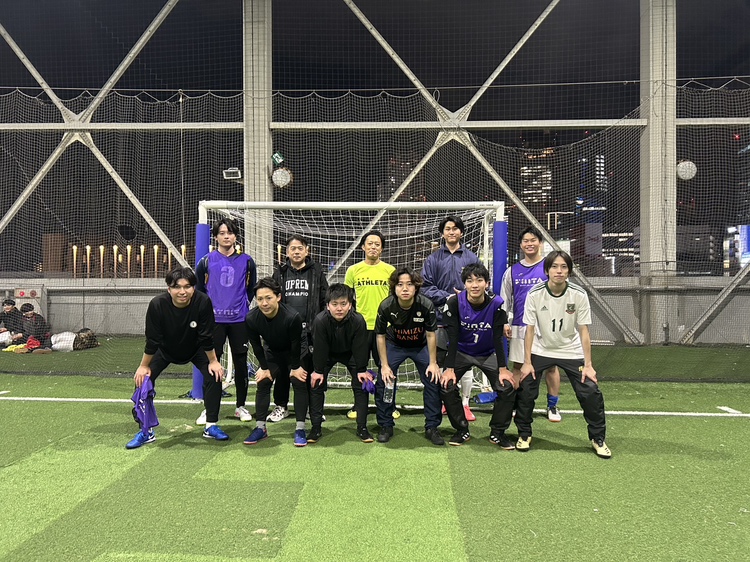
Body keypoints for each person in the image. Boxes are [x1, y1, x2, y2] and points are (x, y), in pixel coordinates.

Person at [516, 250, 611, 458]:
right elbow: (529, 330)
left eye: (563, 267)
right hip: (541, 349)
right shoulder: (534, 294)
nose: (559, 271)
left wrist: (588, 365)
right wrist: (527, 362)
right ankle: (524, 434)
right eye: (554, 267)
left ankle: (598, 438)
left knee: (590, 391)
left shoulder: (578, 294)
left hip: (571, 350)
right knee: (526, 389)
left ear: (569, 271)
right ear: (547, 270)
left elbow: (584, 331)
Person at [126, 266, 228, 449]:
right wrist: (144, 366)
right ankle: (145, 430)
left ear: (193, 288)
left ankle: (211, 425)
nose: (182, 291)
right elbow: (153, 340)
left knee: (215, 375)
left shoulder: (203, 301)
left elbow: (206, 336)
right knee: (143, 380)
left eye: (187, 286)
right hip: (165, 349)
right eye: (177, 287)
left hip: (195, 348)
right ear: (169, 289)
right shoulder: (157, 305)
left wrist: (214, 361)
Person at [440, 263, 517, 448]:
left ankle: (497, 432)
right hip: (461, 351)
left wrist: (503, 368)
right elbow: (453, 336)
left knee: (507, 387)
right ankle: (461, 430)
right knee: (446, 385)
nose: (474, 285)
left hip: (487, 353)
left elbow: (498, 338)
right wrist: (449, 368)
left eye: (479, 280)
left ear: (487, 283)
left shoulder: (497, 304)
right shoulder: (454, 302)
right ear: (464, 284)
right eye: (469, 281)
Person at [194, 218, 257, 425]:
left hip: (239, 320)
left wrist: (243, 303)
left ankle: (241, 406)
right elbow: (200, 290)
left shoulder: (247, 261)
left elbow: (251, 288)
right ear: (216, 237)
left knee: (241, 363)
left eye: (230, 233)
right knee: (211, 365)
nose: (226, 236)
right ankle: (209, 408)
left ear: (236, 236)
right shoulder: (206, 261)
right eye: (222, 233)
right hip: (215, 322)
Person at [374, 267, 444, 445]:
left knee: (433, 378)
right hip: (395, 345)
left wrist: (433, 363)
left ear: (416, 287)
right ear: (394, 287)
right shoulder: (386, 306)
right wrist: (384, 365)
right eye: (400, 285)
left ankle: (432, 427)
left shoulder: (426, 305)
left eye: (409, 284)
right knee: (385, 381)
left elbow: (431, 334)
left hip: (420, 346)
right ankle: (386, 425)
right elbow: (380, 336)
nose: (405, 288)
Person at [500, 226, 562, 422]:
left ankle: (552, 406)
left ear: (540, 243)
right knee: (518, 367)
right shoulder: (512, 271)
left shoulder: (550, 267)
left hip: (547, 326)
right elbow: (505, 299)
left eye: (533, 240)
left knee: (551, 367)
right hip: (520, 325)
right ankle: (518, 403)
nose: (529, 244)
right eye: (526, 241)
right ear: (521, 245)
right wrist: (505, 322)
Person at [421, 215, 479, 421]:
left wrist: (466, 297)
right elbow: (425, 287)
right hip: (439, 318)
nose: (451, 232)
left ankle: (465, 403)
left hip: (467, 318)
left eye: (455, 228)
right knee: (440, 360)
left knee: (466, 360)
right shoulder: (433, 259)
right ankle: (444, 401)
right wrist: (448, 297)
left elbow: (481, 283)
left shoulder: (471, 258)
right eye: (447, 228)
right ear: (442, 233)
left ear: (461, 232)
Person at [242, 278, 310, 447]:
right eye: (260, 299)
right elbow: (256, 346)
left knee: (298, 380)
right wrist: (264, 368)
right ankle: (260, 428)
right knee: (263, 381)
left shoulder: (292, 317)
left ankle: (300, 429)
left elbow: (296, 344)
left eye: (268, 298)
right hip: (272, 351)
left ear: (278, 297)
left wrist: (295, 367)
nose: (264, 303)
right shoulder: (251, 318)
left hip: (295, 351)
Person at [269, 234, 328, 423]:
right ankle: (281, 406)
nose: (296, 251)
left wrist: (320, 324)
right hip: (285, 330)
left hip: (310, 331)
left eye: (300, 248)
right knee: (283, 370)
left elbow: (324, 298)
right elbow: (272, 298)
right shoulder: (280, 273)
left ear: (306, 250)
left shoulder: (316, 271)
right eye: (292, 248)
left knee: (309, 370)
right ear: (287, 252)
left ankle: (311, 407)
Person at [308, 283, 371, 444]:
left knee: (361, 384)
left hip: (351, 353)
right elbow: (320, 348)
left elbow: (361, 347)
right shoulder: (320, 321)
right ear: (327, 305)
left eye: (343, 304)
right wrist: (318, 370)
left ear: (350, 304)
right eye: (335, 304)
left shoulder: (358, 320)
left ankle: (362, 428)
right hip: (327, 353)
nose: (339, 308)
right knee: (316, 384)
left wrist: (362, 369)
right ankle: (316, 428)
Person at [344, 229, 395, 419]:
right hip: (360, 328)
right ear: (363, 247)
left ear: (382, 249)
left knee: (387, 369)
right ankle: (359, 406)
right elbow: (346, 299)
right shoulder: (353, 270)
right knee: (358, 369)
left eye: (377, 244)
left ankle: (389, 406)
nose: (373, 247)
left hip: (385, 328)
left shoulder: (390, 271)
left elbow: (396, 299)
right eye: (370, 244)